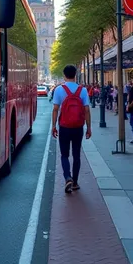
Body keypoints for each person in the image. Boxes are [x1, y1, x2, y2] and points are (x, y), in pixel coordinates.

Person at [52, 65, 92, 194]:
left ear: (64, 75)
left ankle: (67, 177)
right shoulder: (83, 90)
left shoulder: (59, 90)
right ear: (76, 75)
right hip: (78, 128)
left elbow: (55, 109)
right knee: (76, 155)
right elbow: (86, 110)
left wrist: (53, 126)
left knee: (64, 154)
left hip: (64, 127)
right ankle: (75, 182)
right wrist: (88, 127)